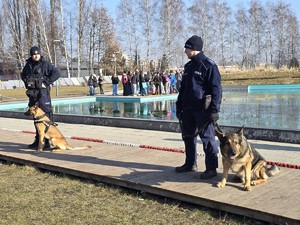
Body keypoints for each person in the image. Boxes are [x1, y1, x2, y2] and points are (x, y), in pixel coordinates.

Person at [175, 35, 222, 179]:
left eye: (186, 48)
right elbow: (184, 89)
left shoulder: (208, 65)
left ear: (193, 49)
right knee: (188, 137)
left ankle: (211, 168)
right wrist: (179, 105)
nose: (185, 51)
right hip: (188, 110)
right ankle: (190, 163)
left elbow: (216, 90)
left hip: (203, 110)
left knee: (207, 139)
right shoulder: (189, 66)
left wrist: (214, 110)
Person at [21, 46, 61, 149]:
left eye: (37, 54)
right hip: (33, 94)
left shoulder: (46, 64)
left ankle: (47, 141)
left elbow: (57, 73)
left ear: (40, 53)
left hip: (43, 94)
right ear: (31, 55)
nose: (36, 56)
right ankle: (38, 139)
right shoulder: (28, 65)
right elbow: (23, 75)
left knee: (46, 117)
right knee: (36, 119)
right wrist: (27, 82)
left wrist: (46, 82)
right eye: (34, 54)